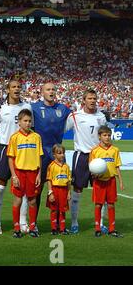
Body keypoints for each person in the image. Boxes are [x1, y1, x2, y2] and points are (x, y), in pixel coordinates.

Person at [0, 80, 32, 235]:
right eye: (13, 87)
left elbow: (31, 128)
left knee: (24, 189)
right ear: (7, 89)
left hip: (23, 150)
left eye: (18, 87)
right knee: (0, 187)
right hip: (5, 148)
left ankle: (22, 222)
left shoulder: (26, 107)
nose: (16, 89)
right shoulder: (0, 108)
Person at [65, 89, 107, 234]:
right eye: (89, 98)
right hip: (81, 156)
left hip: (98, 157)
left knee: (101, 190)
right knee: (77, 190)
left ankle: (100, 223)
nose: (92, 100)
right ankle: (75, 223)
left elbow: (104, 136)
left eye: (94, 98)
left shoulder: (101, 116)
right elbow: (63, 129)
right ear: (84, 100)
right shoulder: (75, 116)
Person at [31, 83, 71, 226]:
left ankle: (60, 225)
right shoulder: (33, 108)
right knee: (38, 189)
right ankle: (32, 223)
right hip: (40, 154)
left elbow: (79, 116)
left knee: (61, 188)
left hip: (58, 154)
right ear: (42, 92)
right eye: (48, 89)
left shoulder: (63, 109)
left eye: (53, 89)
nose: (51, 91)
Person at [7, 109, 43, 238]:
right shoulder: (15, 137)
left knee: (32, 201)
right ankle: (16, 228)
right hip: (19, 172)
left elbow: (39, 156)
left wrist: (39, 174)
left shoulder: (36, 137)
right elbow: (10, 158)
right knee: (17, 200)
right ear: (19, 122)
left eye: (29, 121)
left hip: (33, 173)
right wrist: (14, 175)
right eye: (25, 121)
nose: (28, 123)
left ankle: (33, 227)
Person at [89, 126, 124, 237]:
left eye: (109, 135)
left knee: (111, 205)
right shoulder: (94, 151)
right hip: (99, 182)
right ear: (99, 136)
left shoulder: (115, 150)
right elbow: (91, 167)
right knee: (98, 205)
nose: (107, 137)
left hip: (111, 181)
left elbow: (117, 166)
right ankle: (97, 228)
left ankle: (112, 229)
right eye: (104, 135)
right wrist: (95, 174)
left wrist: (121, 181)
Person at [45, 144, 71, 235]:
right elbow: (49, 180)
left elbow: (68, 181)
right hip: (55, 190)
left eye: (63, 153)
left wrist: (69, 192)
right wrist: (50, 193)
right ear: (54, 155)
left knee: (63, 210)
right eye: (59, 153)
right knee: (54, 210)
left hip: (64, 190)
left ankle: (62, 228)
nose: (62, 155)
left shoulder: (66, 166)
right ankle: (53, 228)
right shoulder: (51, 166)